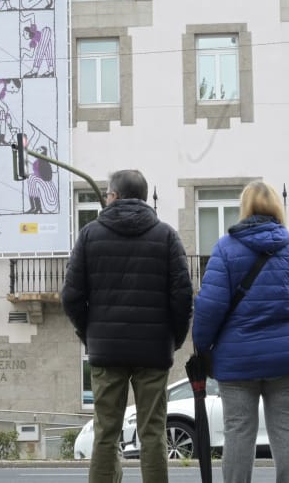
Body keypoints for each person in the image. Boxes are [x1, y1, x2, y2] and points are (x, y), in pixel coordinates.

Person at [62, 169, 193, 483]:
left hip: (106, 350)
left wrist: (89, 333)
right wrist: (172, 339)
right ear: (144, 198)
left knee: (105, 433)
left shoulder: (90, 235)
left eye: (107, 194)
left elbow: (71, 296)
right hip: (153, 350)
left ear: (114, 196)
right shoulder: (166, 236)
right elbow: (183, 296)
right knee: (153, 432)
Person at [191, 180, 289, 483]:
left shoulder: (225, 249)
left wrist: (204, 348)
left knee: (238, 431)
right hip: (288, 361)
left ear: (244, 208)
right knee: (288, 429)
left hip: (237, 360)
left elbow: (209, 308)